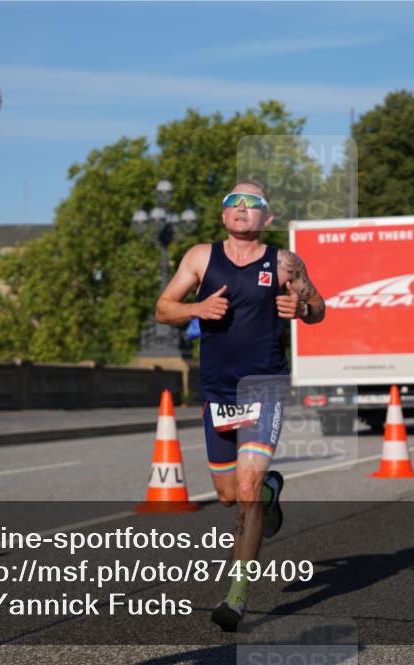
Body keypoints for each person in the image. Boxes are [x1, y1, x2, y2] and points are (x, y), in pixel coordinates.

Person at [155, 180, 325, 631]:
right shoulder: (199, 257)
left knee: (244, 494)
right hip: (217, 392)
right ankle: (271, 490)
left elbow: (319, 308)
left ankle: (237, 595)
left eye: (254, 204)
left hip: (263, 385)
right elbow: (163, 308)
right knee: (231, 494)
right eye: (235, 202)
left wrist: (300, 308)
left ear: (267, 218)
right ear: (223, 213)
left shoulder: (285, 261)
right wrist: (198, 309)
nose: (242, 209)